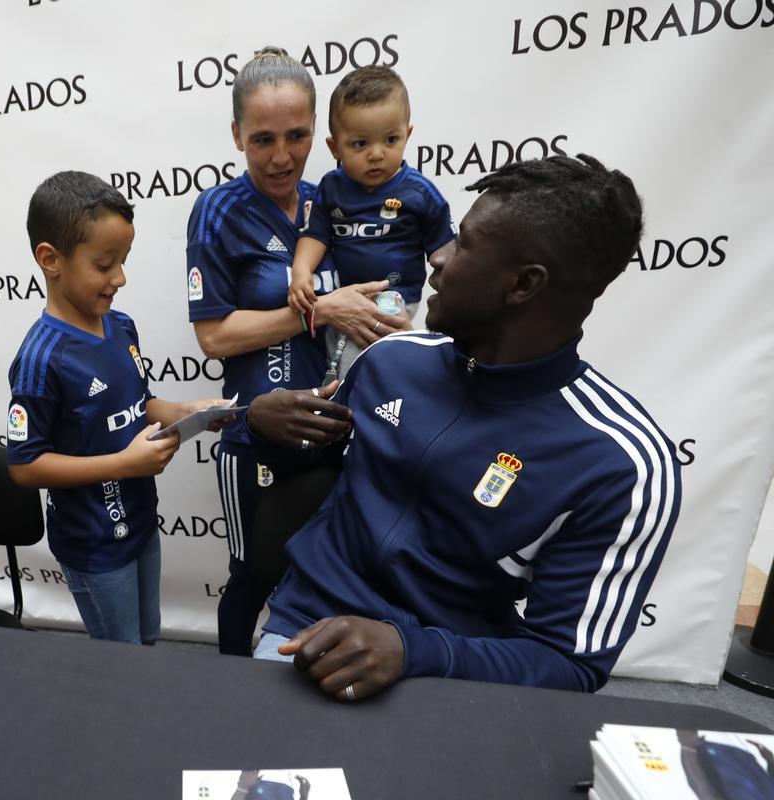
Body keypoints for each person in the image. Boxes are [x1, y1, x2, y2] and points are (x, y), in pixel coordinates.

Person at [246, 154, 681, 696]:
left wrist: (415, 652)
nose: (439, 258)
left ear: (523, 284)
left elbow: (570, 664)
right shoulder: (390, 361)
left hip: (457, 675)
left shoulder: (620, 464)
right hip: (309, 631)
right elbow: (304, 469)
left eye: (464, 243)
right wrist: (262, 427)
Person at [186, 47, 411, 656]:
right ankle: (230, 689)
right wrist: (320, 309)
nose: (282, 156)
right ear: (236, 134)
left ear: (321, 133)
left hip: (334, 432)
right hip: (255, 435)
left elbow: (376, 296)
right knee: (251, 578)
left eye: (297, 136)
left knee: (326, 581)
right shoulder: (218, 211)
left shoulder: (333, 201)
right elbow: (214, 336)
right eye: (263, 139)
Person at [7, 171, 225, 645]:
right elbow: (25, 466)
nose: (121, 279)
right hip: (94, 546)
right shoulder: (41, 359)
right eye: (105, 265)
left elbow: (139, 404)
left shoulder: (121, 325)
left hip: (141, 523)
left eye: (123, 261)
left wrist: (187, 411)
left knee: (147, 637)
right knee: (120, 657)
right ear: (51, 259)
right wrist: (124, 464)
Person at [286, 65, 454, 380]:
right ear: (335, 147)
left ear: (407, 135)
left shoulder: (420, 193)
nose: (376, 154)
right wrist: (301, 271)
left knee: (372, 367)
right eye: (360, 144)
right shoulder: (331, 188)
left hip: (394, 296)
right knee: (337, 367)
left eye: (390, 140)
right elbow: (316, 235)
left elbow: (447, 253)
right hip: (341, 298)